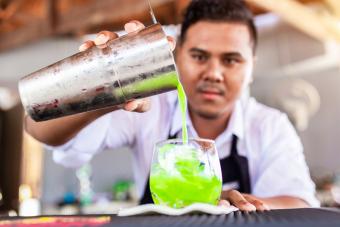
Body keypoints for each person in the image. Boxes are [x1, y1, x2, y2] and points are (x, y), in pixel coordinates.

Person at [25, 0, 319, 211]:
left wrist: (240, 207)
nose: (214, 73)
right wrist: (105, 89)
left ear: (251, 67)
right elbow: (39, 129)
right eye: (200, 56)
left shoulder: (269, 125)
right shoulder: (148, 106)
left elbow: (299, 202)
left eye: (231, 60)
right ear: (178, 58)